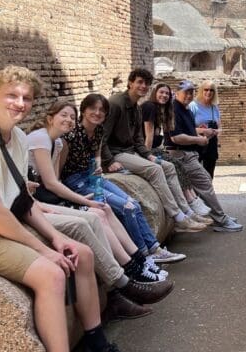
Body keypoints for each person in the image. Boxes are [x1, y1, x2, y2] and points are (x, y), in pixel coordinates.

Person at [0, 66, 143, 352]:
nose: (19, 103)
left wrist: (56, 239)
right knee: (51, 274)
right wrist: (42, 251)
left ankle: (95, 347)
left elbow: (22, 201)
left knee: (80, 252)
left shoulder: (17, 138)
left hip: (4, 220)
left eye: (26, 98)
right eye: (11, 95)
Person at [26, 101, 174, 318]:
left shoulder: (57, 143)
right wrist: (84, 202)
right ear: (50, 117)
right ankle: (129, 278)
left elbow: (54, 182)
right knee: (95, 214)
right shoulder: (40, 138)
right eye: (63, 115)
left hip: (46, 196)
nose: (68, 120)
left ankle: (138, 264)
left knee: (104, 210)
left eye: (70, 116)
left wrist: (83, 200)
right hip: (38, 199)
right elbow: (50, 183)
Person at [61, 94, 185, 265]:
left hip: (93, 177)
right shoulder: (71, 135)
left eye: (101, 110)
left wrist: (97, 166)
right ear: (83, 110)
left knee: (133, 202)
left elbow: (96, 154)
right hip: (76, 182)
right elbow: (60, 170)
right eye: (93, 109)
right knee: (126, 208)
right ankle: (143, 255)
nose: (97, 113)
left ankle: (154, 249)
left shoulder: (98, 130)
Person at [101, 68, 206, 232]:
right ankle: (177, 217)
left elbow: (138, 140)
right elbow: (101, 136)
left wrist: (148, 155)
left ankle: (186, 211)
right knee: (155, 170)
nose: (143, 86)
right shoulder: (116, 103)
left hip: (129, 151)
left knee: (169, 167)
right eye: (139, 82)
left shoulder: (136, 107)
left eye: (146, 83)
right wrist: (109, 161)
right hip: (116, 153)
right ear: (130, 83)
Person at [166, 80, 243, 232]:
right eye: (185, 92)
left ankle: (216, 216)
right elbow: (176, 137)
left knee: (206, 180)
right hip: (181, 153)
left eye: (190, 92)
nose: (188, 95)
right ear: (177, 93)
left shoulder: (186, 109)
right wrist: (198, 138)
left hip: (190, 152)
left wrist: (203, 133)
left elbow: (189, 131)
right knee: (205, 184)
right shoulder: (174, 110)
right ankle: (221, 219)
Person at [141, 82, 211, 216]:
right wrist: (147, 156)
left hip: (155, 148)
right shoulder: (150, 107)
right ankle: (189, 206)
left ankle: (193, 202)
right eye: (161, 92)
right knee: (173, 166)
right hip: (147, 149)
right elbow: (149, 136)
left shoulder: (162, 110)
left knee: (178, 165)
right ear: (154, 92)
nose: (164, 95)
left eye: (167, 93)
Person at [188, 80, 222, 178]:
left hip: (211, 144)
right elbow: (187, 129)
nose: (208, 92)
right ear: (201, 90)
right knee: (195, 175)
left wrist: (216, 131)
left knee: (209, 174)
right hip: (196, 144)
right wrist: (203, 130)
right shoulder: (193, 106)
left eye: (211, 90)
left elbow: (220, 128)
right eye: (206, 89)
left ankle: (208, 193)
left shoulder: (214, 107)